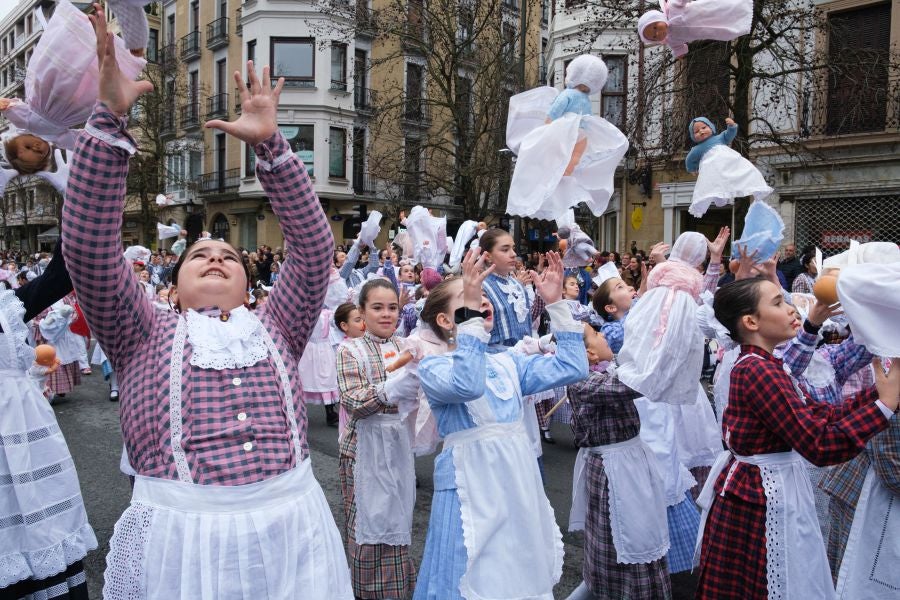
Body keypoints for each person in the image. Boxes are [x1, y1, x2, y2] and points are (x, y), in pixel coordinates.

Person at [61, 10, 352, 597]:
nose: (217, 256)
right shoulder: (141, 331)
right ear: (172, 287)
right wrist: (110, 116)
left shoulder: (278, 323)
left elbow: (316, 249)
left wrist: (272, 146)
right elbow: (89, 246)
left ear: (251, 285)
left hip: (292, 529)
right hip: (182, 538)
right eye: (199, 255)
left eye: (228, 253)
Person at [694, 277, 899, 600]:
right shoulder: (756, 370)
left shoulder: (768, 364)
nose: (792, 309)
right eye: (778, 303)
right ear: (750, 322)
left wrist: (880, 395)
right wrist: (882, 408)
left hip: (766, 488)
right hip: (759, 497)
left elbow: (822, 414)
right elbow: (819, 444)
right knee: (763, 585)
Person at [414, 249, 588, 599]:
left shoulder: (509, 361)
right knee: (466, 574)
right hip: (469, 486)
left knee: (516, 571)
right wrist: (472, 318)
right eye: (468, 297)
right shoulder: (433, 368)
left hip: (516, 484)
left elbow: (573, 369)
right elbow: (468, 383)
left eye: (482, 296)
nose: (481, 301)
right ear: (449, 322)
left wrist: (556, 305)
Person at [0, 241, 98, 600]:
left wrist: (71, 194)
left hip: (27, 434)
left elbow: (62, 274)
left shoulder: (8, 305)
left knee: (42, 525)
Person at [566, 325, 671, 600]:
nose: (604, 336)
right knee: (621, 543)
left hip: (628, 465)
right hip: (614, 471)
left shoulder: (603, 370)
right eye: (597, 335)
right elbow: (629, 385)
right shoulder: (582, 381)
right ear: (589, 353)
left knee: (630, 540)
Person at [335, 279, 419, 599]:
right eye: (377, 307)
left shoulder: (406, 347)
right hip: (362, 451)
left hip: (398, 447)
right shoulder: (349, 349)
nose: (386, 314)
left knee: (399, 523)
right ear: (362, 311)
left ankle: (399, 591)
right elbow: (354, 402)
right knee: (368, 530)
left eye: (392, 307)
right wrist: (390, 389)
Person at [637, 0, 752, 59]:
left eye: (656, 27)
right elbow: (678, 48)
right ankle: (741, 24)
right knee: (724, 28)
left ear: (658, 18)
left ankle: (742, 6)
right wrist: (679, 54)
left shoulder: (672, 8)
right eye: (655, 37)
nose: (658, 33)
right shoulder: (672, 39)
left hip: (705, 11)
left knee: (723, 8)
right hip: (707, 30)